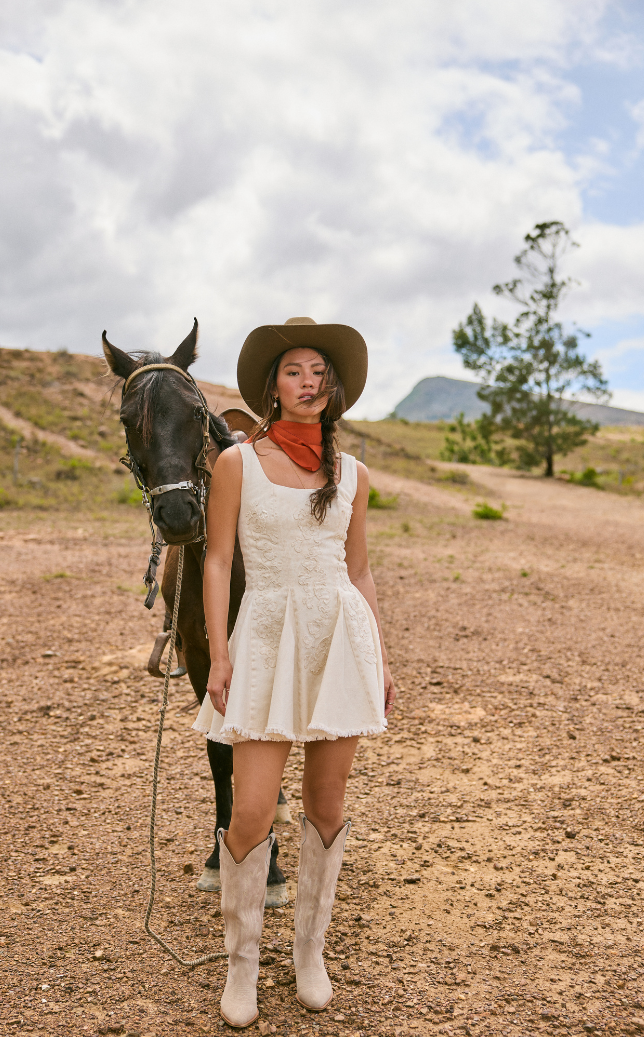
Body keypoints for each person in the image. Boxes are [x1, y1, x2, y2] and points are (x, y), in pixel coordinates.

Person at [194, 316, 395, 1028]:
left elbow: (358, 570)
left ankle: (310, 951)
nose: (309, 382)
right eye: (294, 371)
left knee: (327, 805)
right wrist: (219, 652)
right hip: (266, 636)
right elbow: (218, 560)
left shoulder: (354, 474)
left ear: (333, 389)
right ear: (272, 387)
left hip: (340, 636)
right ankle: (242, 964)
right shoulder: (237, 463)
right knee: (251, 810)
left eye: (319, 373)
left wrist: (380, 656)